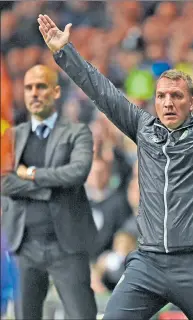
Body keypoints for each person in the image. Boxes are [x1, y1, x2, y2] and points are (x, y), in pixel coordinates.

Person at [37, 6, 193, 320]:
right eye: (162, 96)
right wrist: (63, 52)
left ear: (192, 102)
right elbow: (102, 92)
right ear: (154, 101)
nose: (168, 102)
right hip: (148, 263)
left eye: (177, 96)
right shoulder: (143, 129)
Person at [1, 64, 100, 319]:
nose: (34, 93)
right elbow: (4, 182)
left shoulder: (77, 132)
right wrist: (51, 187)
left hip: (66, 245)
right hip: (23, 246)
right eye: (29, 88)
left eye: (41, 86)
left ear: (55, 92)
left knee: (82, 315)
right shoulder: (11, 136)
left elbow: (76, 173)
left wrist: (31, 173)